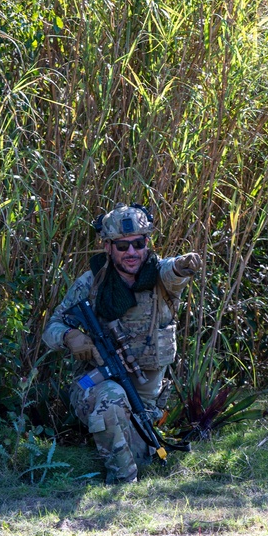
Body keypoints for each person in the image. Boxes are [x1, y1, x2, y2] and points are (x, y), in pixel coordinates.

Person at [42, 204, 201, 484]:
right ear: (108, 247)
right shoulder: (91, 283)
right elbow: (51, 327)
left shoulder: (160, 279)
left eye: (138, 244)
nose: (131, 253)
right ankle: (123, 482)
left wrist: (181, 266)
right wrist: (70, 336)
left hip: (145, 402)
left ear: (147, 244)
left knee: (142, 453)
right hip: (95, 387)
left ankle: (123, 451)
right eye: (122, 246)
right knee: (111, 397)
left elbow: (173, 270)